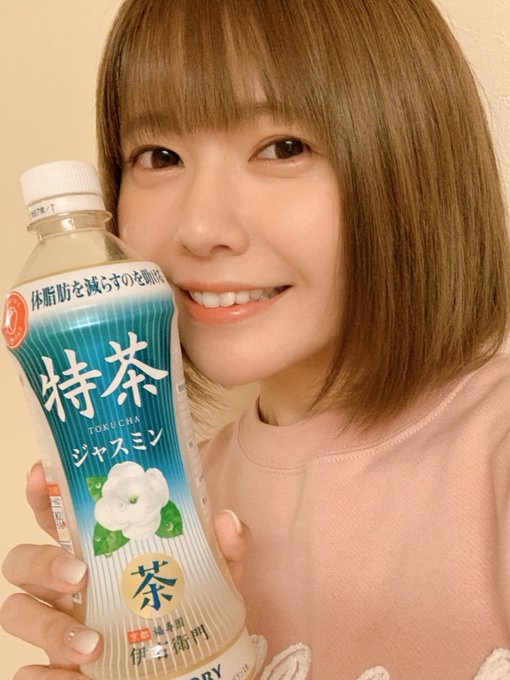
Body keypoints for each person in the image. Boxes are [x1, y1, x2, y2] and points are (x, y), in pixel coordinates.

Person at [1, 0, 510, 678]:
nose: (200, 228)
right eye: (159, 156)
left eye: (283, 148)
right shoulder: (168, 507)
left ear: (414, 162)